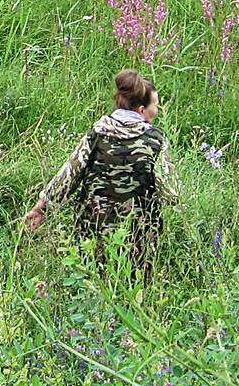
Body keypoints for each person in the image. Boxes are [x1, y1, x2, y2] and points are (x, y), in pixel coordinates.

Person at [21, 69, 181, 273]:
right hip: (138, 236)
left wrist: (41, 207)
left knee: (92, 285)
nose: (157, 111)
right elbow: (171, 192)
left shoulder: (97, 133)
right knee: (134, 293)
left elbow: (69, 175)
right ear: (142, 110)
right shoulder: (155, 140)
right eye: (155, 106)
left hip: (93, 230)